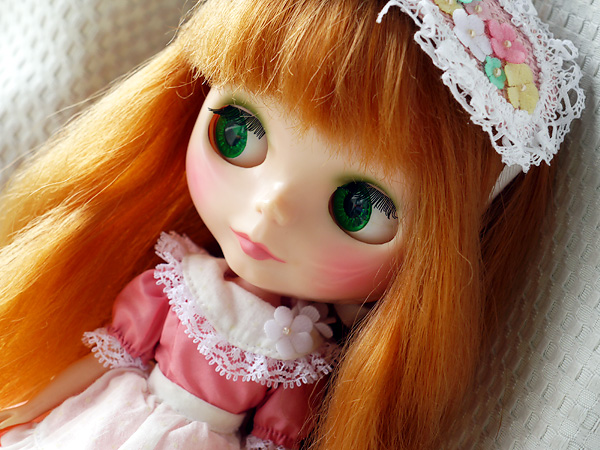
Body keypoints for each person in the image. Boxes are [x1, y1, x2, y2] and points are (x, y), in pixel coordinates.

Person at [0, 0, 584, 448]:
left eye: (357, 207)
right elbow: (111, 356)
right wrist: (27, 409)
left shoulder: (301, 352)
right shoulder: (178, 283)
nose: (271, 206)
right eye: (239, 131)